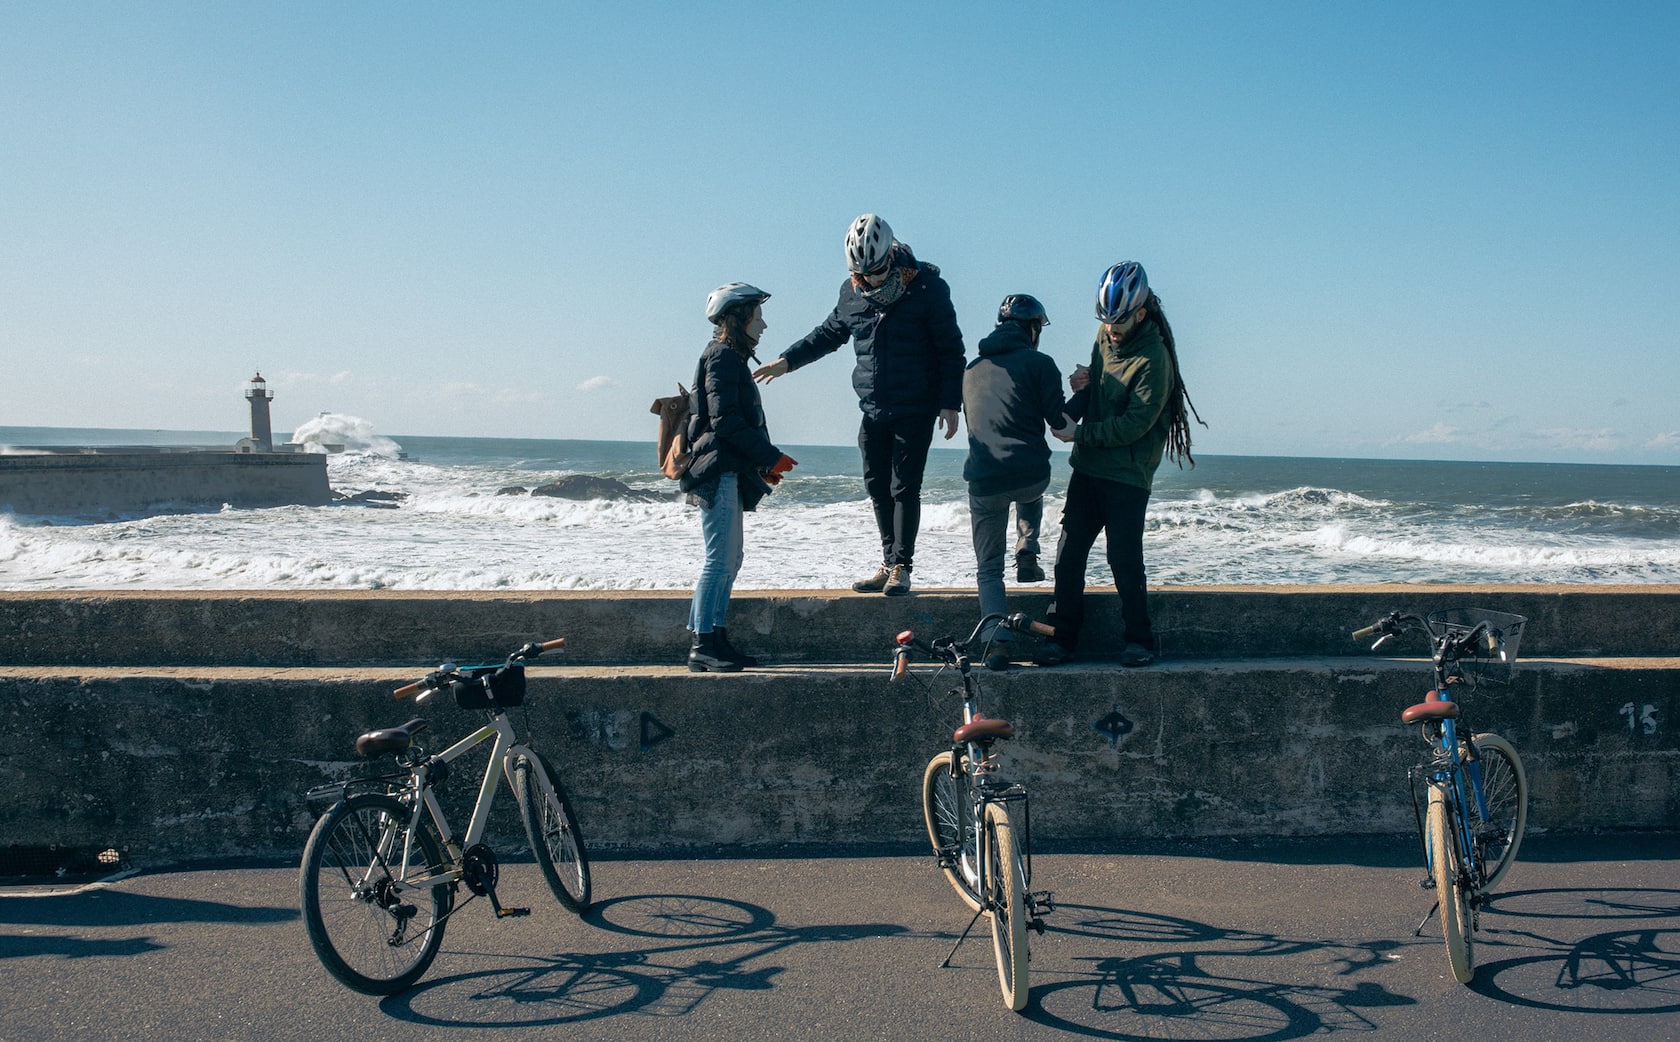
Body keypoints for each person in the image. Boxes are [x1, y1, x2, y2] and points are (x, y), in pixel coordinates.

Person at [753, 214, 965, 597]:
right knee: (876, 485)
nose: (870, 281)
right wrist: (787, 362)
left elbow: (951, 349)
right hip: (872, 406)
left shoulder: (928, 288)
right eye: (861, 274)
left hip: (916, 405)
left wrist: (950, 402)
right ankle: (887, 563)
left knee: (904, 487)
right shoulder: (851, 292)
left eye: (877, 272)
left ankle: (902, 566)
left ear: (891, 256)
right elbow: (828, 333)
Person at [1034, 261, 1204, 669]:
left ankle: (1139, 640)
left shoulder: (1155, 359)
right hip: (1088, 468)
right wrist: (1089, 380)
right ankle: (1062, 638)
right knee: (1067, 556)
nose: (1110, 328)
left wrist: (1080, 434)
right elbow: (1105, 384)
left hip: (1128, 475)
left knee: (1124, 559)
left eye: (1119, 320)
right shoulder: (1104, 335)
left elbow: (1135, 424)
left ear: (1141, 313)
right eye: (1104, 318)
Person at [681, 282, 798, 672]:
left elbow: (729, 426)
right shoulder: (722, 357)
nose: (763, 326)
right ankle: (702, 643)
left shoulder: (729, 357)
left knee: (731, 558)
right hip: (717, 474)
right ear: (738, 319)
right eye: (757, 317)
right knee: (719, 559)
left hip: (727, 470)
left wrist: (762, 466)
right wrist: (771, 456)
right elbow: (725, 422)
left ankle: (717, 637)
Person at [961, 294, 1081, 671]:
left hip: (984, 481)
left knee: (989, 569)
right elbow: (1060, 426)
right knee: (1031, 484)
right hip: (1031, 476)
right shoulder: (1040, 363)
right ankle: (1027, 549)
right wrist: (1086, 404)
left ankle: (997, 644)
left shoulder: (971, 367)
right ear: (1033, 329)